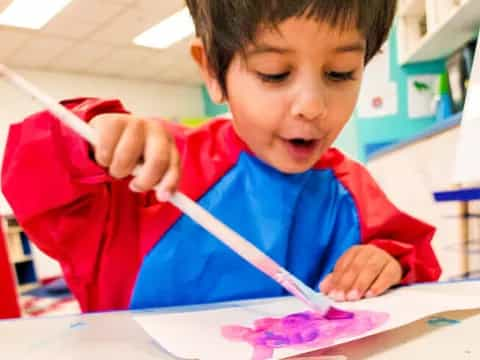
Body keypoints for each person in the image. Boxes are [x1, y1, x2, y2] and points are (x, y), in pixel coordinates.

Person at [2, 0, 441, 313]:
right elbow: (29, 177)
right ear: (212, 70)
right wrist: (89, 139)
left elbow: (413, 256)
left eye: (340, 73)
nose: (312, 105)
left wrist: (387, 263)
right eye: (275, 73)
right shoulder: (144, 173)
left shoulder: (350, 188)